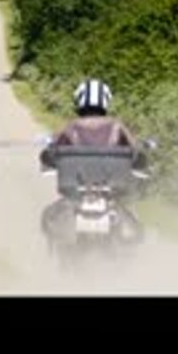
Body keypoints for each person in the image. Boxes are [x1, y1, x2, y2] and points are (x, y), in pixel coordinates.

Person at [40, 78, 145, 244]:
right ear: (105, 101)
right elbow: (135, 150)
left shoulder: (71, 126)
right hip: (111, 188)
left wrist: (49, 159)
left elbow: (53, 150)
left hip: (76, 187)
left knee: (50, 219)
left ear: (80, 100)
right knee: (131, 223)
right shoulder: (116, 125)